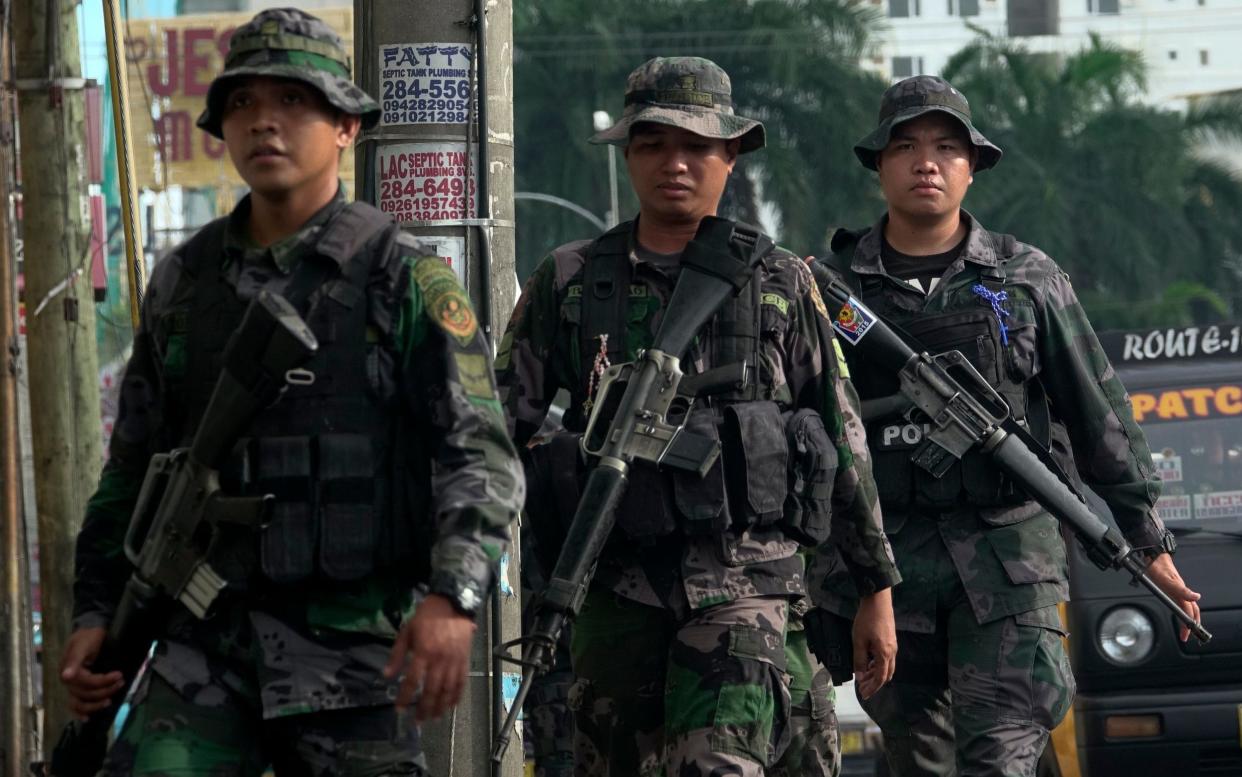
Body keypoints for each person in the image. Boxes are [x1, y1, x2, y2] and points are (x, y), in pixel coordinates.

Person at [58, 9, 522, 774]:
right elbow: (134, 464)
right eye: (243, 104)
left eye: (293, 101)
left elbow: (482, 455)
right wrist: (95, 613)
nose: (264, 123)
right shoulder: (186, 282)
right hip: (204, 646)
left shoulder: (403, 280)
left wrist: (454, 595)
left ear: (346, 127)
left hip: (353, 650)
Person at [496, 56, 900, 777]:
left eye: (696, 147)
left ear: (731, 154)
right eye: (652, 145)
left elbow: (841, 434)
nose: (673, 164)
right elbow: (498, 429)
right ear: (627, 155)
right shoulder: (571, 279)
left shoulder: (780, 280)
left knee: (717, 765)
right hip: (609, 583)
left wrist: (875, 587)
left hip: (746, 582)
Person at [809, 74, 1202, 777]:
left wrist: (1148, 540)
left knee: (1002, 758)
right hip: (886, 570)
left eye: (945, 147)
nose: (926, 162)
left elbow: (1098, 412)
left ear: (972, 166)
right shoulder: (832, 290)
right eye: (906, 146)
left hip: (1010, 557)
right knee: (918, 763)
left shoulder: (1026, 279)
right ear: (879, 164)